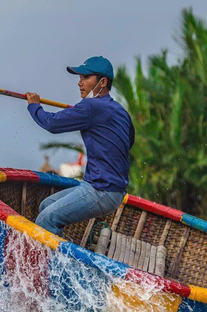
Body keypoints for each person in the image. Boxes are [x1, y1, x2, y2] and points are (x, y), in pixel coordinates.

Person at [26, 56, 135, 237]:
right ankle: (62, 248)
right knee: (46, 206)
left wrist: (34, 107)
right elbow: (129, 140)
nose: (79, 83)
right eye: (79, 78)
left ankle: (57, 264)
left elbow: (52, 124)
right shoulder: (118, 110)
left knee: (46, 220)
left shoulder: (91, 107)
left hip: (103, 191)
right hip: (102, 187)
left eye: (85, 78)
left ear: (102, 82)